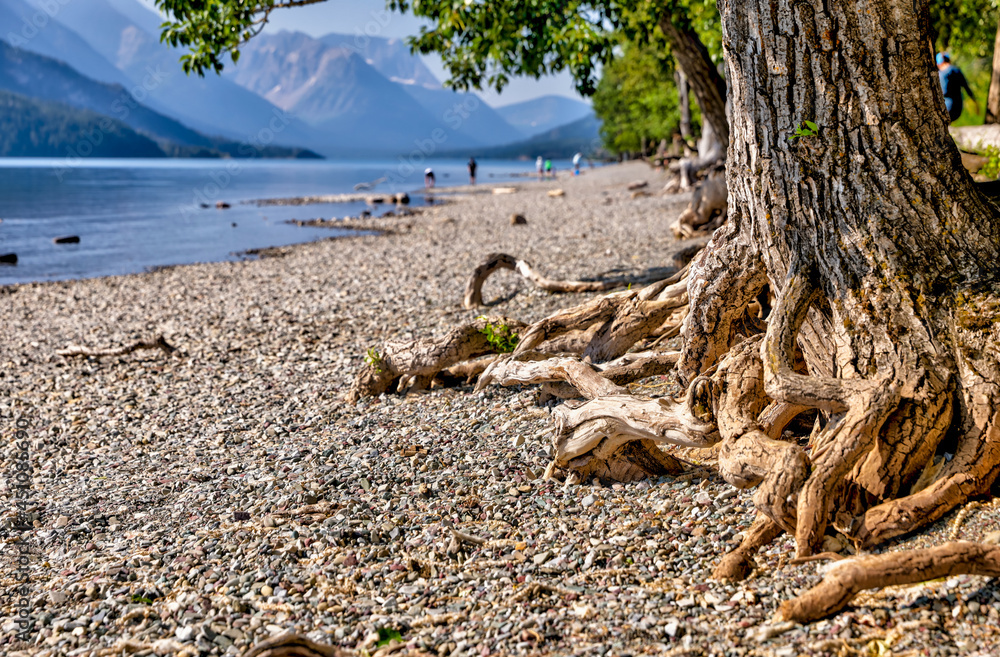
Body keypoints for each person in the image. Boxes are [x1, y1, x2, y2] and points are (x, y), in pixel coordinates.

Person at [937, 52, 978, 123]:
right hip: (958, 107)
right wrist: (975, 102)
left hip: (946, 108)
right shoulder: (956, 70)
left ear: (939, 63)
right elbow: (966, 87)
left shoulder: (939, 74)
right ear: (949, 60)